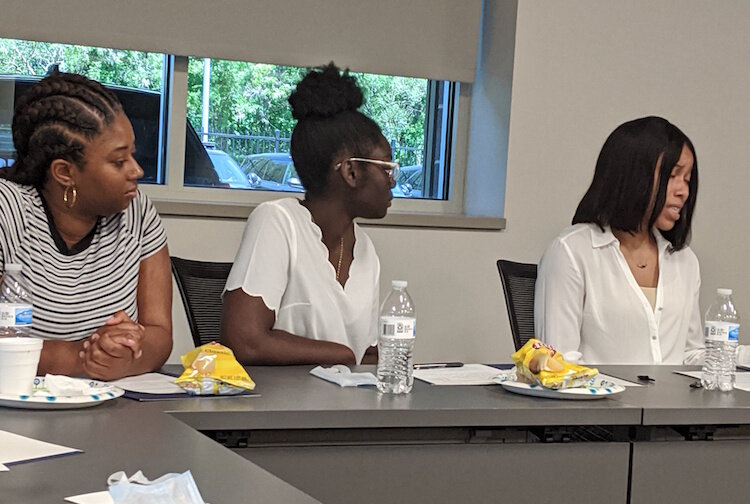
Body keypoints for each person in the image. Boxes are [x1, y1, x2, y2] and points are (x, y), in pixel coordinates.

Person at [0, 71, 172, 380]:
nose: (137, 171)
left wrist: (129, 349)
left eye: (132, 154)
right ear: (65, 172)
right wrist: (82, 358)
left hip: (107, 407)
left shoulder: (138, 212)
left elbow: (160, 333)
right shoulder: (8, 211)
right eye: (119, 162)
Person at [221, 63, 395, 365]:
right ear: (351, 171)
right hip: (279, 409)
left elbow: (365, 355)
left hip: (347, 409)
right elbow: (243, 341)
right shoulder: (277, 222)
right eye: (386, 168)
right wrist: (342, 355)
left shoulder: (366, 250)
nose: (392, 181)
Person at [534, 115, 730, 365]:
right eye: (673, 176)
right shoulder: (572, 252)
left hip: (673, 403)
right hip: (600, 402)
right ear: (634, 175)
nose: (684, 191)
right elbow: (558, 362)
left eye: (688, 179)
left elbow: (690, 354)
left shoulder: (684, 260)